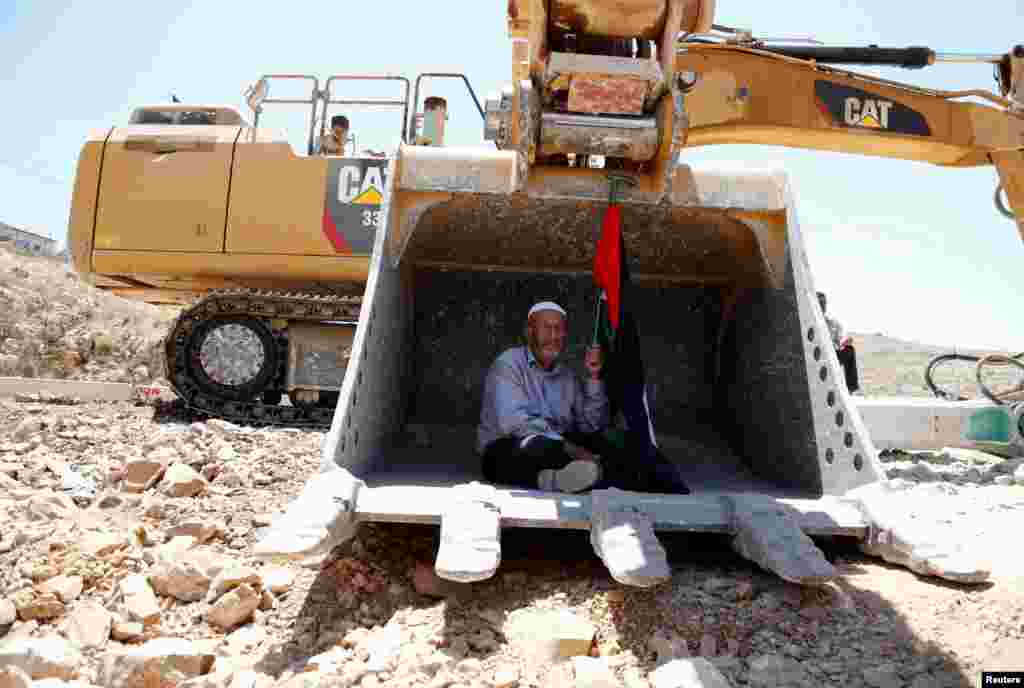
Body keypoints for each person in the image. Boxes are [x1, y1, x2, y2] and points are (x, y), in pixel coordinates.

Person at [476, 301, 684, 494]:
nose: (554, 335)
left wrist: (594, 376)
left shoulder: (567, 376)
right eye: (546, 328)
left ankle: (667, 483)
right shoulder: (508, 364)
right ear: (529, 332)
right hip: (510, 448)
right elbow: (514, 424)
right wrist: (570, 449)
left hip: (560, 449)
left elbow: (591, 426)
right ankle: (593, 476)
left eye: (559, 329)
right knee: (530, 447)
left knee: (619, 440)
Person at [817, 292, 861, 395]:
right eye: (820, 303)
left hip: (831, 355)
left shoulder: (833, 324)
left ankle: (851, 388)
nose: (823, 306)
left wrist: (844, 343)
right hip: (817, 355)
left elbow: (839, 342)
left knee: (850, 349)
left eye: (824, 303)